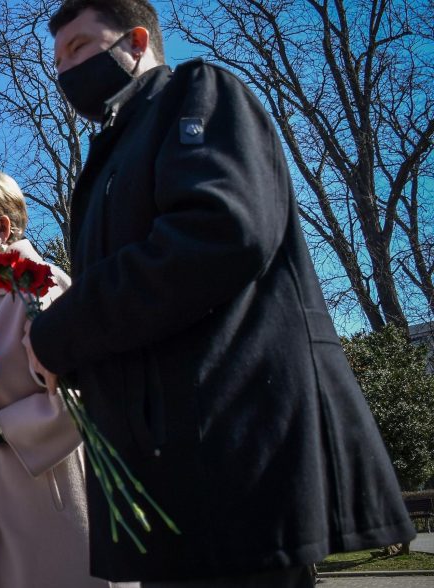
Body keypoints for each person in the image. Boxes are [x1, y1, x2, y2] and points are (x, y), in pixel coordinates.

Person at [24, 1, 417, 586]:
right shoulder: (114, 151)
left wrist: (59, 332)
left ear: (135, 42)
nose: (65, 72)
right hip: (171, 476)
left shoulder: (197, 93)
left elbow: (219, 232)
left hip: (232, 460)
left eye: (79, 48)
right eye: (57, 62)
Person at [0, 168, 129, 588]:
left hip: (55, 494)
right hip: (7, 491)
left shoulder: (37, 284)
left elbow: (86, 393)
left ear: (0, 226)